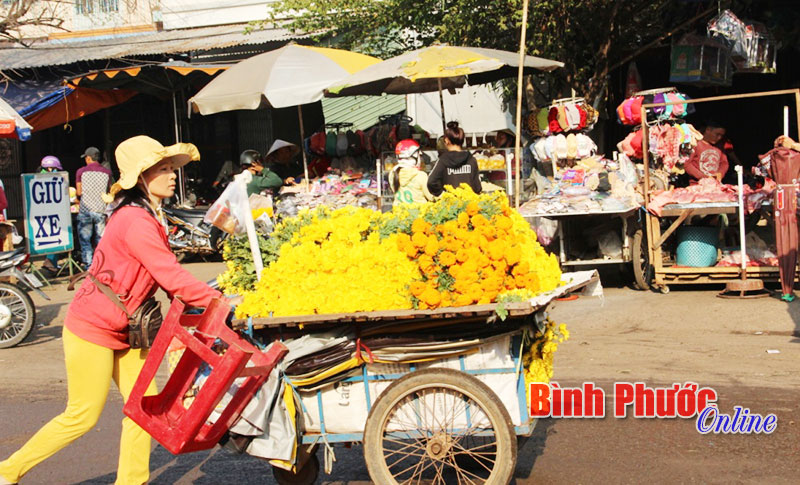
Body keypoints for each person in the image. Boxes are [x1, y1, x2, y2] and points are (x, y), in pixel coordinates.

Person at [0, 135, 222, 485]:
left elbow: (165, 277)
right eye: (163, 169)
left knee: (143, 409)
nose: (172, 175)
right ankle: (7, 471)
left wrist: (211, 294)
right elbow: (171, 275)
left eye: (171, 168)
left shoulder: (147, 214)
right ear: (141, 178)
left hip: (128, 327)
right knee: (82, 415)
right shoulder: (135, 221)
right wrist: (220, 300)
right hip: (92, 327)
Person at [76, 146, 112, 267]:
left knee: (85, 241)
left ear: (89, 158)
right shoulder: (107, 173)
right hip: (101, 210)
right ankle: (102, 265)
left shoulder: (81, 172)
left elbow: (79, 192)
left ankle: (89, 266)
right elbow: (109, 191)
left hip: (85, 211)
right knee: (101, 240)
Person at [427, 121, 482, 197]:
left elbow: (431, 182)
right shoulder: (471, 160)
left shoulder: (443, 161)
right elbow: (477, 187)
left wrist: (442, 194)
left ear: (446, 141)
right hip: (469, 204)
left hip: (451, 205)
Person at [38, 156, 66, 274]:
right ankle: (50, 262)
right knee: (53, 237)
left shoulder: (39, 176)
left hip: (48, 213)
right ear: (49, 168)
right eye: (54, 169)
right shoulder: (43, 178)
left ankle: (52, 264)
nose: (56, 171)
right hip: (48, 214)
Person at [389, 139, 434, 205]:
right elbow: (431, 197)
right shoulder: (421, 175)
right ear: (415, 156)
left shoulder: (392, 174)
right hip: (419, 213)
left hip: (398, 213)